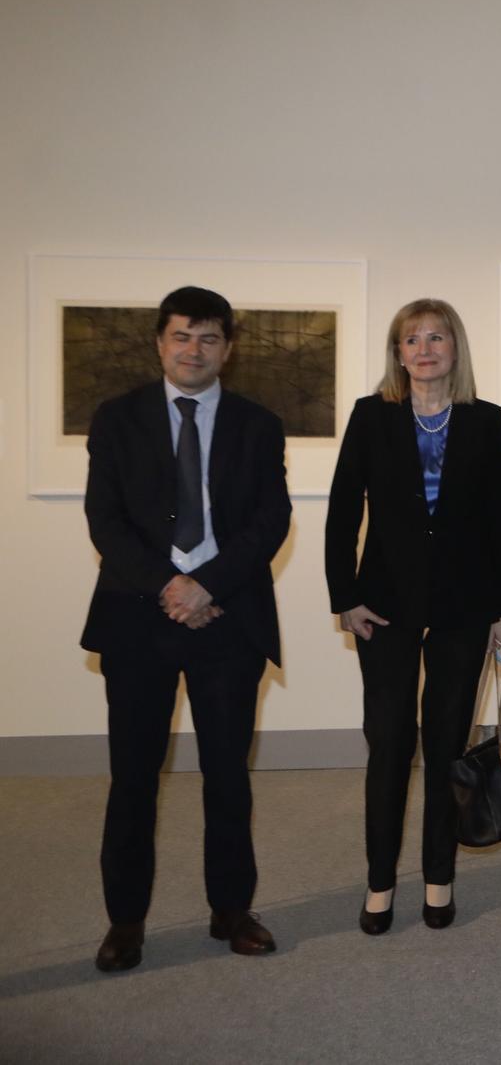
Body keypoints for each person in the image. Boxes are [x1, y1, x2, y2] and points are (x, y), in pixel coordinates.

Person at [83, 286, 291, 972]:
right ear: (159, 342)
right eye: (181, 335)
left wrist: (207, 583)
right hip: (139, 620)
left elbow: (271, 519)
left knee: (228, 775)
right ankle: (125, 921)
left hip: (228, 620)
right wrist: (170, 585)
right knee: (134, 777)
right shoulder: (117, 419)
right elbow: (105, 521)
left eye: (207, 338)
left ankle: (231, 909)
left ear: (227, 348)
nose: (193, 349)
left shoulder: (258, 424)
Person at [325, 298, 501, 935]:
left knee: (444, 747)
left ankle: (439, 878)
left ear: (455, 349)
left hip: (465, 607)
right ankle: (380, 883)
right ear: (398, 352)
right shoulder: (370, 416)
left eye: (438, 337)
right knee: (389, 744)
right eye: (414, 339)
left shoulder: (486, 421)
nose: (426, 348)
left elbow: (499, 520)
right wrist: (344, 595)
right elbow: (342, 511)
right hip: (384, 605)